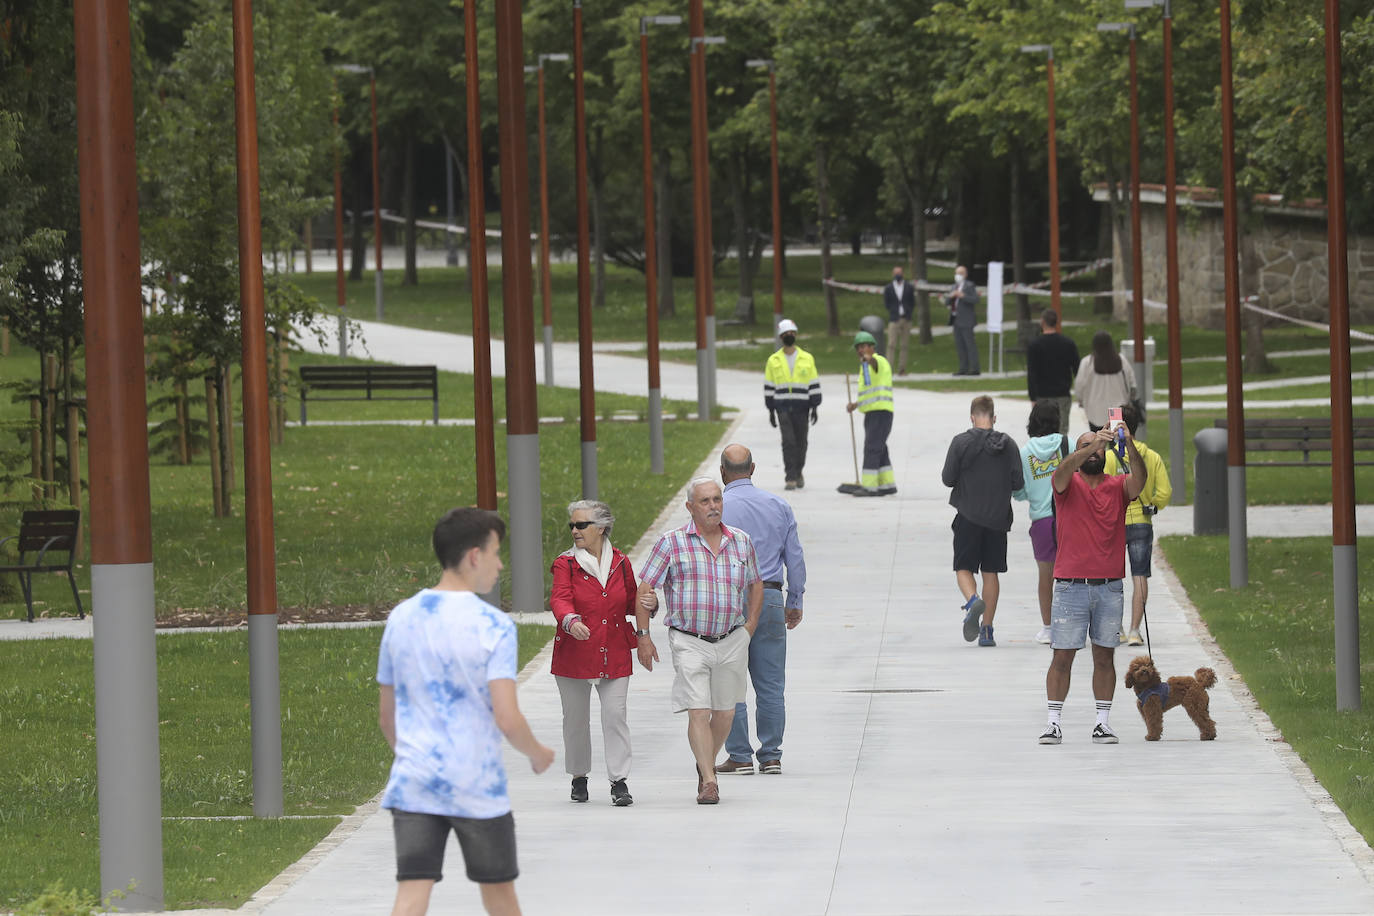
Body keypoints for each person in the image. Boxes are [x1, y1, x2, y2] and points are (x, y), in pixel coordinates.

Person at [376, 507, 554, 916]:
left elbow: (388, 717)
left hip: (416, 780)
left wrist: (413, 755)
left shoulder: (401, 618)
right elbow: (507, 718)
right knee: (499, 895)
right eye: (495, 552)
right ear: (474, 556)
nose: (500, 563)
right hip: (477, 784)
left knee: (411, 895)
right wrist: (537, 752)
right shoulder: (493, 626)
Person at [635, 478, 763, 804]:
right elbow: (645, 589)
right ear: (690, 507)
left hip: (732, 638)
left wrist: (749, 626)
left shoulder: (741, 542)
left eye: (717, 499)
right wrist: (644, 636)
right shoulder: (672, 543)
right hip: (689, 640)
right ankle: (709, 780)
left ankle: (703, 758)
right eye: (704, 501)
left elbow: (755, 583)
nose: (713, 506)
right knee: (698, 710)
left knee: (725, 714)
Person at [1038, 427, 1147, 746]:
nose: (1095, 451)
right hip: (1070, 587)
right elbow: (1062, 470)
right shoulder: (1066, 486)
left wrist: (1130, 447)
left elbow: (1139, 481)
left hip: (1109, 587)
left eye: (1099, 448)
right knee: (1062, 657)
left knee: (1104, 657)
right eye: (1087, 447)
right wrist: (1093, 443)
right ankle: (1053, 723)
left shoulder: (1117, 487)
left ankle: (1102, 722)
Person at [715, 444, 806, 777]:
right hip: (768, 596)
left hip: (728, 599)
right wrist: (794, 600)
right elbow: (794, 558)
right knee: (770, 683)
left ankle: (739, 754)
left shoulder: (717, 509)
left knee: (729, 678)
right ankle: (771, 756)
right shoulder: (778, 505)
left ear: (722, 472)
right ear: (752, 469)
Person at [549, 499, 645, 807]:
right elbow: (560, 598)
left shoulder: (620, 562)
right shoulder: (566, 563)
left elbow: (631, 600)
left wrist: (648, 603)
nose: (575, 531)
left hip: (614, 650)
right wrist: (570, 620)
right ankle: (579, 777)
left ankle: (619, 781)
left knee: (615, 716)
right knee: (575, 720)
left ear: (601, 528)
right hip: (574, 654)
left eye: (581, 525)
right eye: (572, 526)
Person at [941, 396, 1024, 647]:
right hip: (997, 519)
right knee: (991, 572)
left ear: (972, 418)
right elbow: (1018, 483)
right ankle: (987, 630)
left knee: (963, 568)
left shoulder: (960, 442)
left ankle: (972, 600)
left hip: (968, 515)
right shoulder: (1009, 445)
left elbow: (947, 478)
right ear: (994, 418)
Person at [1104, 402, 1172, 646]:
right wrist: (1152, 505)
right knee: (1140, 575)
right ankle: (1135, 629)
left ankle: (1116, 628)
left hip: (1114, 523)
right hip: (1142, 521)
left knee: (1112, 578)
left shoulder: (1109, 458)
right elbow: (1164, 492)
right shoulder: (1151, 457)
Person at [1012, 400, 1070, 645]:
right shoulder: (1068, 444)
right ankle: (1071, 624)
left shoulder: (1024, 453)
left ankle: (1048, 628)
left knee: (1045, 576)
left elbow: (1019, 492)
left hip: (1041, 522)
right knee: (1070, 577)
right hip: (1069, 518)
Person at [763, 318, 821, 490]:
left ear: (795, 335)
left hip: (802, 406)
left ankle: (798, 471)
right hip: (782, 406)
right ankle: (790, 476)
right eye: (786, 334)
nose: (789, 336)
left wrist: (815, 407)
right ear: (781, 337)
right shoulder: (773, 360)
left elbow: (813, 382)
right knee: (788, 442)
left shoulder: (807, 358)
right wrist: (771, 410)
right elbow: (769, 386)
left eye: (792, 333)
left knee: (801, 441)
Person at [842, 331, 896, 497]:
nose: (861, 350)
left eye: (864, 346)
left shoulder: (878, 361)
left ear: (872, 347)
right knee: (880, 447)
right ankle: (888, 484)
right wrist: (855, 405)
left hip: (880, 412)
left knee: (872, 447)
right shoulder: (864, 367)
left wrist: (869, 358)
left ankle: (870, 486)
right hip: (874, 412)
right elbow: (870, 393)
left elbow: (874, 363)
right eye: (858, 347)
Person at [1025, 309, 1080, 435]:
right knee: (1062, 430)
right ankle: (1062, 454)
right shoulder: (1068, 344)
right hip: (1062, 394)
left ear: (1042, 322)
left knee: (1042, 430)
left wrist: (1033, 397)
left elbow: (1031, 373)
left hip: (1042, 395)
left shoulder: (1035, 345)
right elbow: (1077, 369)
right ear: (1056, 322)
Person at [1075, 330, 1138, 431]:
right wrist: (1130, 399)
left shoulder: (1088, 362)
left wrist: (1081, 400)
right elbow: (1132, 383)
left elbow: (1079, 385)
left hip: (1094, 410)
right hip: (1117, 409)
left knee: (1098, 441)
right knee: (1117, 441)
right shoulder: (1121, 360)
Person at [946, 265, 981, 376]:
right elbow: (947, 302)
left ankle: (974, 368)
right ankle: (963, 368)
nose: (958, 276)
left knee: (970, 345)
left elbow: (975, 299)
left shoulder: (969, 286)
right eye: (956, 273)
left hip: (966, 319)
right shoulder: (953, 287)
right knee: (959, 345)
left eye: (960, 273)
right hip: (955, 319)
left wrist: (962, 296)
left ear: (965, 275)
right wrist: (951, 296)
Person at [883, 265, 917, 375]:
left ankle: (902, 369)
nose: (898, 275)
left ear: (903, 274)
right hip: (894, 318)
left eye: (900, 272)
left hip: (906, 318)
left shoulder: (909, 287)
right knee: (891, 344)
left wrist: (908, 311)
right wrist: (893, 311)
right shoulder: (888, 288)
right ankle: (889, 369)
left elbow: (912, 301)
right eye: (896, 273)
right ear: (893, 274)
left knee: (904, 345)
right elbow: (887, 303)